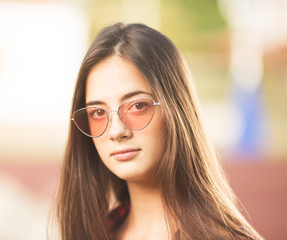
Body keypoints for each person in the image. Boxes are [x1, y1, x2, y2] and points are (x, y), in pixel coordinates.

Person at [55, 22, 262, 240]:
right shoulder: (91, 233)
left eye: (137, 106)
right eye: (98, 112)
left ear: (177, 109)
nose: (116, 131)